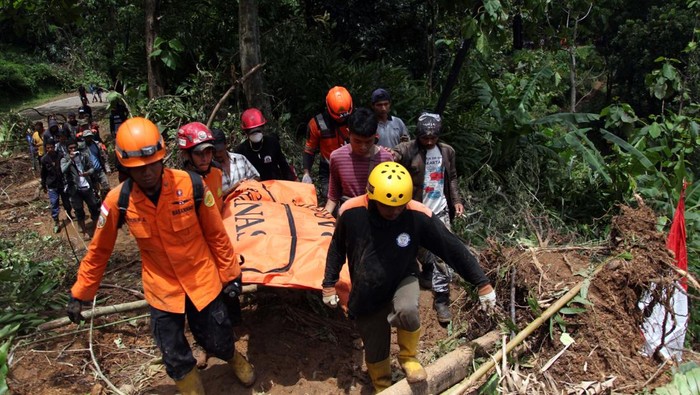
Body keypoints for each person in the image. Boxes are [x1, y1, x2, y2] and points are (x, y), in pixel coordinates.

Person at [65, 117, 256, 393]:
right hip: (162, 289)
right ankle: (192, 389)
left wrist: (230, 277)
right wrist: (81, 292)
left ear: (162, 157)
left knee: (218, 338)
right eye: (137, 168)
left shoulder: (191, 186)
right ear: (125, 166)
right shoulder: (118, 202)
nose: (146, 173)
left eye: (152, 164)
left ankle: (233, 358)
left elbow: (217, 235)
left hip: (202, 281)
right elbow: (99, 251)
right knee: (173, 352)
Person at [322, 162, 496, 392]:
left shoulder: (416, 214)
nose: (395, 212)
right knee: (374, 345)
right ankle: (382, 384)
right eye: (388, 207)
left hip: (403, 277)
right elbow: (336, 249)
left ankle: (408, 358)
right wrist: (329, 284)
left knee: (407, 309)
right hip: (367, 288)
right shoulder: (352, 213)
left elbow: (451, 247)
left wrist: (482, 283)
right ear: (372, 198)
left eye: (399, 206)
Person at [391, 113, 465, 324]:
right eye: (425, 138)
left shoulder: (447, 151)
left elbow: (451, 177)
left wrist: (456, 200)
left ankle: (442, 298)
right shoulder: (408, 150)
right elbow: (392, 156)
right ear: (418, 135)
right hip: (413, 210)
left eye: (434, 138)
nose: (430, 141)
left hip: (439, 210)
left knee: (443, 252)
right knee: (415, 249)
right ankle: (426, 271)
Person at [324, 107, 393, 216]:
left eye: (368, 141)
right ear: (348, 134)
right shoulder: (337, 157)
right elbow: (333, 196)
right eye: (357, 141)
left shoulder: (386, 159)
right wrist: (324, 217)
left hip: (376, 219)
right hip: (348, 217)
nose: (363, 147)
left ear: (376, 135)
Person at [302, 86, 354, 202]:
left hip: (353, 167)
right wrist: (306, 173)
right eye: (338, 117)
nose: (341, 120)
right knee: (330, 200)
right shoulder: (317, 124)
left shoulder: (357, 119)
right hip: (329, 169)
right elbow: (309, 150)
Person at [235, 108, 297, 182]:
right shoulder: (241, 151)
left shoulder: (272, 142)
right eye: (251, 131)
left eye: (258, 130)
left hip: (275, 185)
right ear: (245, 132)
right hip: (256, 189)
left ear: (263, 127)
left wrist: (294, 183)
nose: (255, 133)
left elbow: (284, 166)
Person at [178, 122, 225, 211]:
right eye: (198, 154)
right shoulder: (182, 184)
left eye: (208, 152)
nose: (205, 159)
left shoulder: (217, 171)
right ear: (186, 154)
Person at [60, 139, 101, 239]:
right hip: (74, 189)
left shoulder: (83, 156)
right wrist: (71, 160)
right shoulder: (64, 159)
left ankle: (98, 230)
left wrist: (88, 173)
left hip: (87, 186)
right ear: (67, 149)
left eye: (74, 147)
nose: (73, 149)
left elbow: (92, 168)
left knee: (94, 207)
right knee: (79, 211)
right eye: (71, 148)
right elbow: (63, 170)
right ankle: (84, 232)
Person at [212, 128, 260, 197]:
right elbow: (215, 199)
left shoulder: (240, 159)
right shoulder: (209, 169)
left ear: (226, 145)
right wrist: (234, 188)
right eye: (214, 152)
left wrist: (246, 184)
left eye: (220, 151)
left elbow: (257, 177)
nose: (217, 154)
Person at [40, 138, 72, 233]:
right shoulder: (44, 159)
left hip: (62, 183)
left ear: (54, 147)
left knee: (66, 201)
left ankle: (69, 214)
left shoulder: (60, 156)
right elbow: (43, 174)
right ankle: (56, 221)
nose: (50, 149)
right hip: (52, 185)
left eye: (51, 147)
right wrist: (43, 185)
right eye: (48, 148)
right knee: (54, 203)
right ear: (46, 148)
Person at [82, 129, 111, 200]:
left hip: (100, 169)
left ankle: (108, 201)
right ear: (84, 138)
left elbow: (104, 157)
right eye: (86, 137)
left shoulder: (97, 145)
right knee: (95, 191)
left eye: (89, 136)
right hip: (90, 173)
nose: (88, 138)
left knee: (106, 187)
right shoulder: (82, 148)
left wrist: (107, 168)